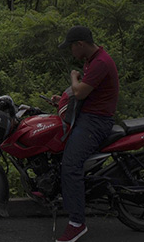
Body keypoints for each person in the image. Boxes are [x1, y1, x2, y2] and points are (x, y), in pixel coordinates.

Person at [53, 26, 119, 242]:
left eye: (72, 46)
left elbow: (80, 92)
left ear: (80, 44)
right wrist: (63, 100)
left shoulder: (100, 62)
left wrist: (74, 77)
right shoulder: (93, 60)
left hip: (96, 122)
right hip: (89, 117)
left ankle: (77, 223)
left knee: (71, 165)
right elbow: (86, 94)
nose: (71, 51)